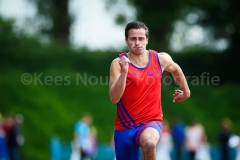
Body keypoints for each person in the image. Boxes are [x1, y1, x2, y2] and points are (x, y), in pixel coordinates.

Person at [109, 21, 190, 160]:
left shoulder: (160, 59)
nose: (137, 42)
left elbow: (175, 69)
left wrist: (186, 92)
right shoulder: (118, 63)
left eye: (141, 38)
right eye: (133, 38)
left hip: (151, 121)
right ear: (126, 40)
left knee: (149, 143)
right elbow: (114, 98)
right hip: (125, 126)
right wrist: (124, 73)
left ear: (147, 39)